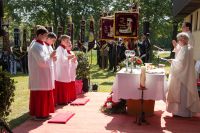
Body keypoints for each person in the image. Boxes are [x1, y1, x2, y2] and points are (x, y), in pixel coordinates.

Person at [166, 32, 200, 117]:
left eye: (180, 40)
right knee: (184, 94)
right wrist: (175, 46)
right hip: (185, 75)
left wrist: (172, 61)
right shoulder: (188, 48)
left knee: (181, 93)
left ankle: (180, 113)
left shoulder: (185, 49)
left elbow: (182, 62)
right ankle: (185, 112)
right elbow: (181, 54)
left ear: (184, 40)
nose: (179, 41)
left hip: (182, 77)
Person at [28, 27, 56, 119]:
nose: (46, 37)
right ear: (40, 35)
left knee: (45, 93)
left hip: (44, 73)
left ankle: (45, 113)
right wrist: (50, 56)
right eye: (45, 36)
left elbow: (46, 57)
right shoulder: (35, 46)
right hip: (39, 74)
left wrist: (52, 57)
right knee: (41, 95)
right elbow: (41, 62)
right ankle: (40, 114)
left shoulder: (42, 44)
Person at [55, 35, 74, 104]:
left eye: (68, 41)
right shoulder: (59, 49)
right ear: (62, 41)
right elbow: (60, 60)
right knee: (62, 84)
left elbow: (64, 58)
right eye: (66, 41)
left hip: (65, 69)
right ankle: (61, 100)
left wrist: (68, 57)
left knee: (65, 84)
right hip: (61, 70)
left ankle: (65, 99)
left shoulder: (64, 49)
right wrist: (68, 58)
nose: (68, 42)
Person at [45, 32, 57, 105]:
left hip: (51, 67)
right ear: (48, 38)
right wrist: (51, 56)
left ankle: (51, 102)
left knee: (51, 86)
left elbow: (52, 56)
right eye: (53, 40)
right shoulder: (43, 46)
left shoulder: (50, 46)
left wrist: (54, 57)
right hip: (45, 68)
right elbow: (44, 57)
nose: (53, 42)